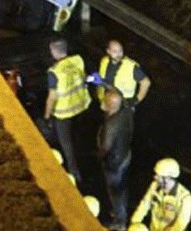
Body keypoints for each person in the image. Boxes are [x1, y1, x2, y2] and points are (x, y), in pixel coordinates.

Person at [43, 38, 91, 183]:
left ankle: (75, 174)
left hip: (63, 113)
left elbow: (52, 97)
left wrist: (47, 116)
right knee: (79, 138)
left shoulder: (54, 72)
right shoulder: (77, 60)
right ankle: (86, 163)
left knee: (67, 144)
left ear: (53, 52)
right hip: (81, 106)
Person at [98, 90, 135, 230]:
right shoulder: (126, 112)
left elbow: (105, 147)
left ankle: (120, 220)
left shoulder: (110, 125)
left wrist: (99, 156)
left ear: (110, 105)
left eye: (105, 101)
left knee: (115, 191)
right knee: (123, 187)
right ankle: (121, 210)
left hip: (114, 162)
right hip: (125, 155)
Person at [130, 157, 191, 231]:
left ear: (167, 178)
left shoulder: (184, 197)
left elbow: (181, 223)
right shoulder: (155, 186)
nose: (155, 177)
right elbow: (144, 205)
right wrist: (134, 223)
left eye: (158, 175)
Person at [92, 39, 151, 111]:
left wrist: (136, 100)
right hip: (105, 103)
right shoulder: (104, 61)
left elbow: (146, 82)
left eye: (120, 51)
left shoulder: (130, 66)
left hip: (123, 106)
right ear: (108, 51)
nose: (119, 54)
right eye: (115, 52)